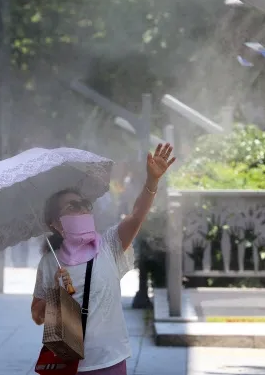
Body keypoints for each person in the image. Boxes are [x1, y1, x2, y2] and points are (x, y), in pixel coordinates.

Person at [31, 143, 176, 374]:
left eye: (84, 205)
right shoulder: (50, 262)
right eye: (72, 206)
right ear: (55, 223)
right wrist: (55, 295)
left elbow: (136, 216)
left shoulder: (109, 245)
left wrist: (152, 181)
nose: (81, 210)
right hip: (67, 365)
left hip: (110, 361)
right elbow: (37, 315)